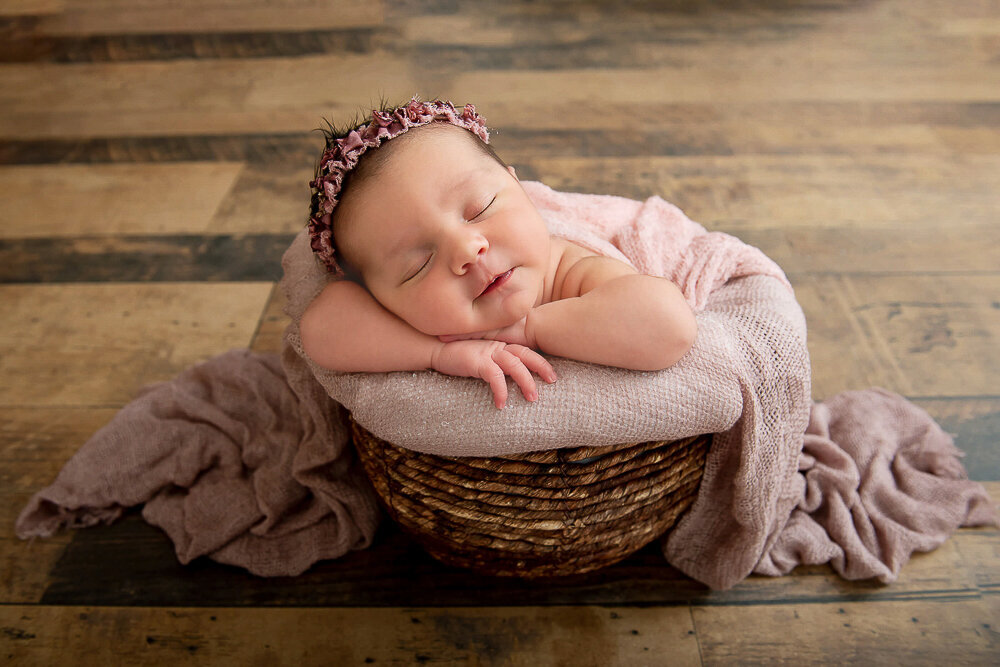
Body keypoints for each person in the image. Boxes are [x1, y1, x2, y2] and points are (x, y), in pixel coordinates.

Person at [300, 98, 697, 409]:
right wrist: (440, 353)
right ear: (376, 296)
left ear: (519, 188)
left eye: (481, 208)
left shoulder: (572, 270)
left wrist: (526, 330)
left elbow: (669, 324)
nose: (468, 250)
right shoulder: (409, 322)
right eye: (418, 266)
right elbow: (322, 328)